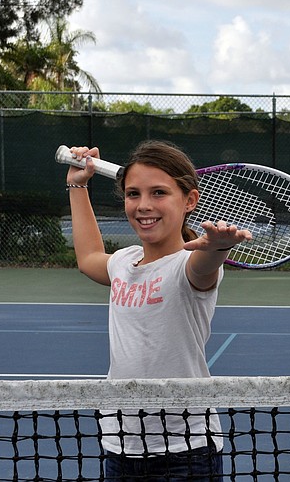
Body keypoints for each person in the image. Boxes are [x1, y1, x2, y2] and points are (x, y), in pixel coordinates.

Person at [64, 140, 252, 482]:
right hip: (120, 444)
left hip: (186, 453)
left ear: (189, 201)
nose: (143, 205)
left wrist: (218, 248)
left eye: (159, 193)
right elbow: (88, 257)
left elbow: (204, 266)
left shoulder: (187, 266)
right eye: (133, 194)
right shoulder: (123, 261)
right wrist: (78, 184)